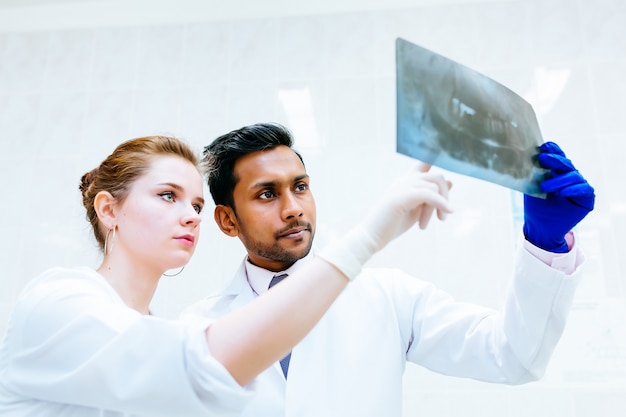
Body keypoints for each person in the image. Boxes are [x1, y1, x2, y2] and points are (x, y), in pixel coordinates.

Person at [0, 135, 455, 417]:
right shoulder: (58, 301)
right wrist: (367, 238)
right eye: (167, 196)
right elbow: (203, 367)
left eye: (195, 205)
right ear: (108, 209)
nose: (190, 216)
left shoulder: (159, 330)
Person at [182, 123, 595, 417]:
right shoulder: (198, 329)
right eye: (267, 194)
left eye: (300, 186)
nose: (293, 208)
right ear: (227, 221)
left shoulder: (388, 297)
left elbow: (513, 356)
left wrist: (545, 243)